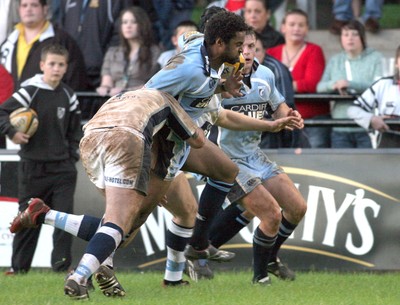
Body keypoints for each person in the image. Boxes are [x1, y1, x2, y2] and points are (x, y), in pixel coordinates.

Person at [186, 30, 306, 285]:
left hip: (253, 154)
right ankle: (260, 279)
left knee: (297, 208)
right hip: (225, 159)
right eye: (241, 47)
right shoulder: (220, 79)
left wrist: (290, 116)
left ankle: (263, 258)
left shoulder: (265, 76)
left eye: (252, 46)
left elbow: (278, 105)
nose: (247, 52)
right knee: (270, 214)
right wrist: (268, 125)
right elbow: (216, 116)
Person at [0, 44, 82, 274]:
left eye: (61, 65)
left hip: (63, 169)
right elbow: (1, 113)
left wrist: (72, 154)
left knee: (64, 220)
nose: (56, 69)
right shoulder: (29, 91)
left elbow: (75, 131)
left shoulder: (68, 95)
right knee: (28, 220)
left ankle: (62, 268)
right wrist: (12, 132)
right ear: (42, 65)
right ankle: (19, 269)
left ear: (66, 67)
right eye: (52, 64)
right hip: (32, 167)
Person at [317, 20, 383, 148]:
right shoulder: (335, 60)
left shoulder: (376, 57)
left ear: (362, 37)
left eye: (354, 34)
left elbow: (379, 85)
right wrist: (335, 85)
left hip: (367, 127)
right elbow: (320, 87)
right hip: (340, 127)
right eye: (345, 34)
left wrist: (350, 84)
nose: (350, 38)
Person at [267, 9, 327, 148]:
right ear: (283, 28)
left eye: (301, 25)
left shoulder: (314, 50)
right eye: (292, 24)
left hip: (312, 119)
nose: (296, 28)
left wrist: (281, 85)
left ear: (307, 29)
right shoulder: (272, 52)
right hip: (281, 119)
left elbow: (311, 84)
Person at [0, 0, 87, 91]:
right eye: (24, 5)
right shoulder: (10, 41)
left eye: (34, 5)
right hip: (14, 103)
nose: (28, 9)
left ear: (45, 9)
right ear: (19, 10)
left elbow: (76, 79)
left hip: (50, 103)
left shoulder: (63, 40)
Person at [57, 0, 128, 90]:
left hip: (100, 75)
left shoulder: (112, 2)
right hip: (72, 73)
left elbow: (119, 34)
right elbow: (61, 32)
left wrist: (107, 64)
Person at [254, 32, 304, 148]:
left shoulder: (274, 70)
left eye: (256, 49)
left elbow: (284, 105)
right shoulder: (232, 69)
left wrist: (286, 116)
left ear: (265, 50)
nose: (251, 54)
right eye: (243, 48)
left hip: (272, 134)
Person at [96, 6, 161, 97]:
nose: (128, 26)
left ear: (142, 24)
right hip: (115, 102)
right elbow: (106, 82)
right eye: (124, 22)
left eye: (134, 22)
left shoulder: (154, 52)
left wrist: (125, 91)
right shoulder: (112, 52)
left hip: (142, 101)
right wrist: (105, 88)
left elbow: (155, 84)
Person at [348, 45, 400, 148]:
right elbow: (353, 110)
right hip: (389, 141)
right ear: (396, 63)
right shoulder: (383, 84)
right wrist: (371, 119)